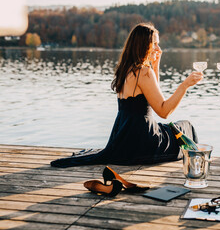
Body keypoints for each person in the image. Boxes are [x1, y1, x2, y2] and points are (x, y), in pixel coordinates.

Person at [51, 23, 203, 168]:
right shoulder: (143, 72)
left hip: (123, 137)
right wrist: (185, 85)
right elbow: (163, 111)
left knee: (174, 128)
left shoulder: (127, 69)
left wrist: (155, 65)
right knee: (186, 126)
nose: (159, 48)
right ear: (143, 45)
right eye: (154, 44)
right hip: (143, 141)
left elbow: (153, 96)